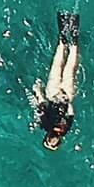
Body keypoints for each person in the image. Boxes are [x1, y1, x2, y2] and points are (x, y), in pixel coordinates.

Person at [31, 12, 80, 150]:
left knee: (68, 69)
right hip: (54, 96)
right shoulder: (46, 125)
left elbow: (70, 113)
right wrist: (37, 91)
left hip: (63, 97)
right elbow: (42, 104)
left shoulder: (64, 129)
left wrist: (67, 101)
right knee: (59, 66)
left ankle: (72, 42)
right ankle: (64, 40)